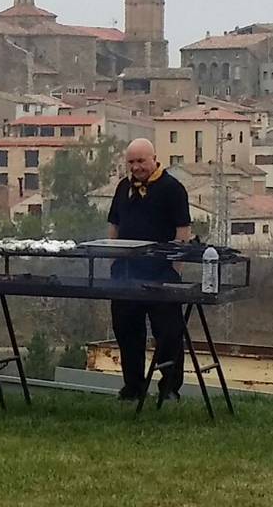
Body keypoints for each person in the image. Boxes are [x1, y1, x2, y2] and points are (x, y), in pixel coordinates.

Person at [107, 138, 191, 402]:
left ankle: (169, 388)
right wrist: (113, 261)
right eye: (131, 162)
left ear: (154, 158)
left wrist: (173, 270)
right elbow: (114, 227)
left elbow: (183, 233)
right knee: (127, 331)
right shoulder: (123, 188)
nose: (136, 167)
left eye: (140, 161)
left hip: (161, 275)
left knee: (168, 333)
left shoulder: (173, 189)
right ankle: (133, 387)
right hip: (126, 275)